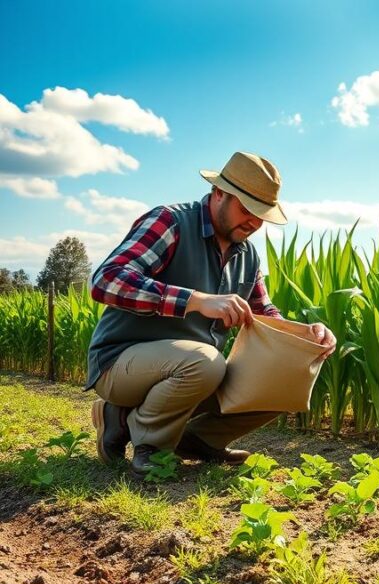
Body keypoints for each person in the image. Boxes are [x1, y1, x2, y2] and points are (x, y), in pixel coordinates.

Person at [85, 151, 336, 475]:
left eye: (262, 215)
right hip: (120, 363)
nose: (253, 223)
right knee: (204, 362)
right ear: (219, 193)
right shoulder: (170, 222)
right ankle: (148, 444)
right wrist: (195, 300)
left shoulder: (247, 255)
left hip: (193, 370)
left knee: (289, 369)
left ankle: (197, 440)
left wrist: (306, 335)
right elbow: (107, 279)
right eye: (246, 209)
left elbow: (264, 311)